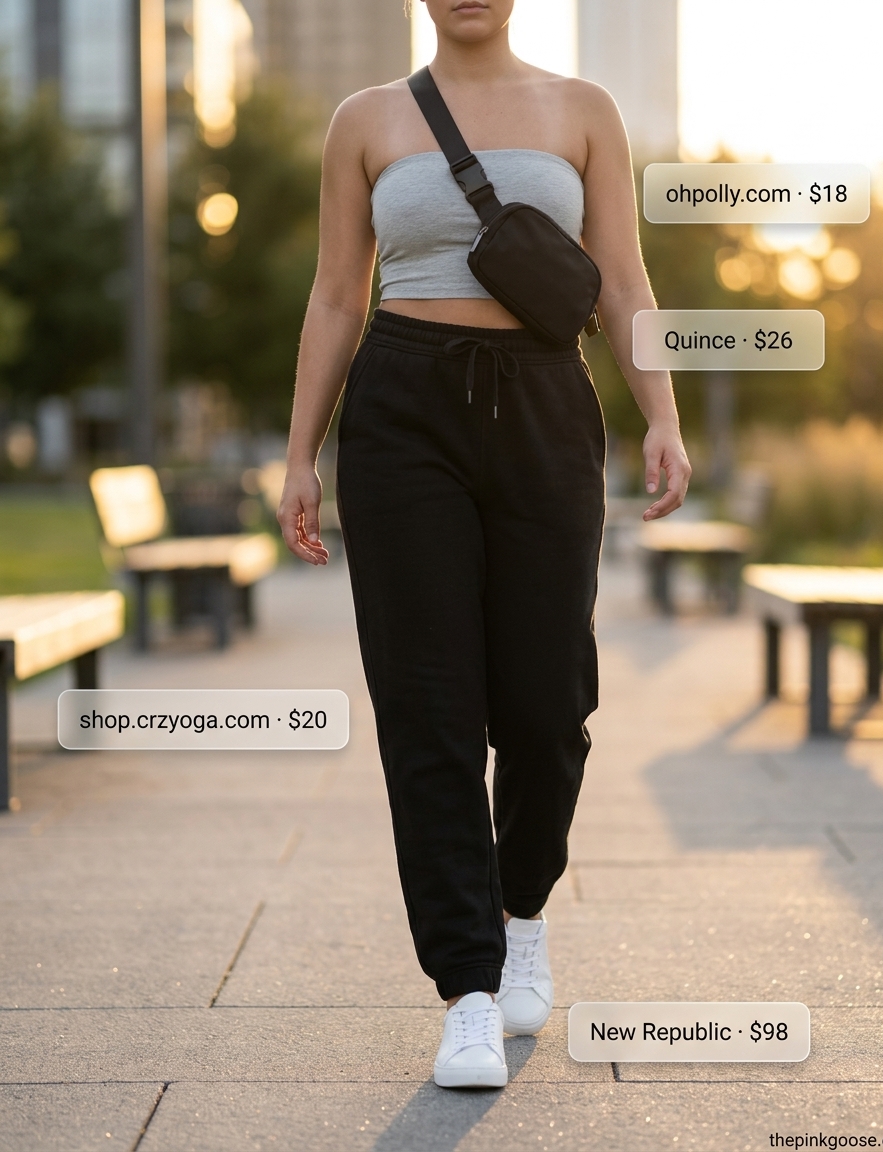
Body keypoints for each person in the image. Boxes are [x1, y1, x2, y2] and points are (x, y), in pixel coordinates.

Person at [277, 0, 691, 1089]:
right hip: (403, 409)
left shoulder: (583, 108)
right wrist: (298, 457)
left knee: (550, 706)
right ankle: (465, 987)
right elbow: (334, 294)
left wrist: (662, 413)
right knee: (428, 707)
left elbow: (623, 281)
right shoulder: (364, 118)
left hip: (546, 406)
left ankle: (521, 914)